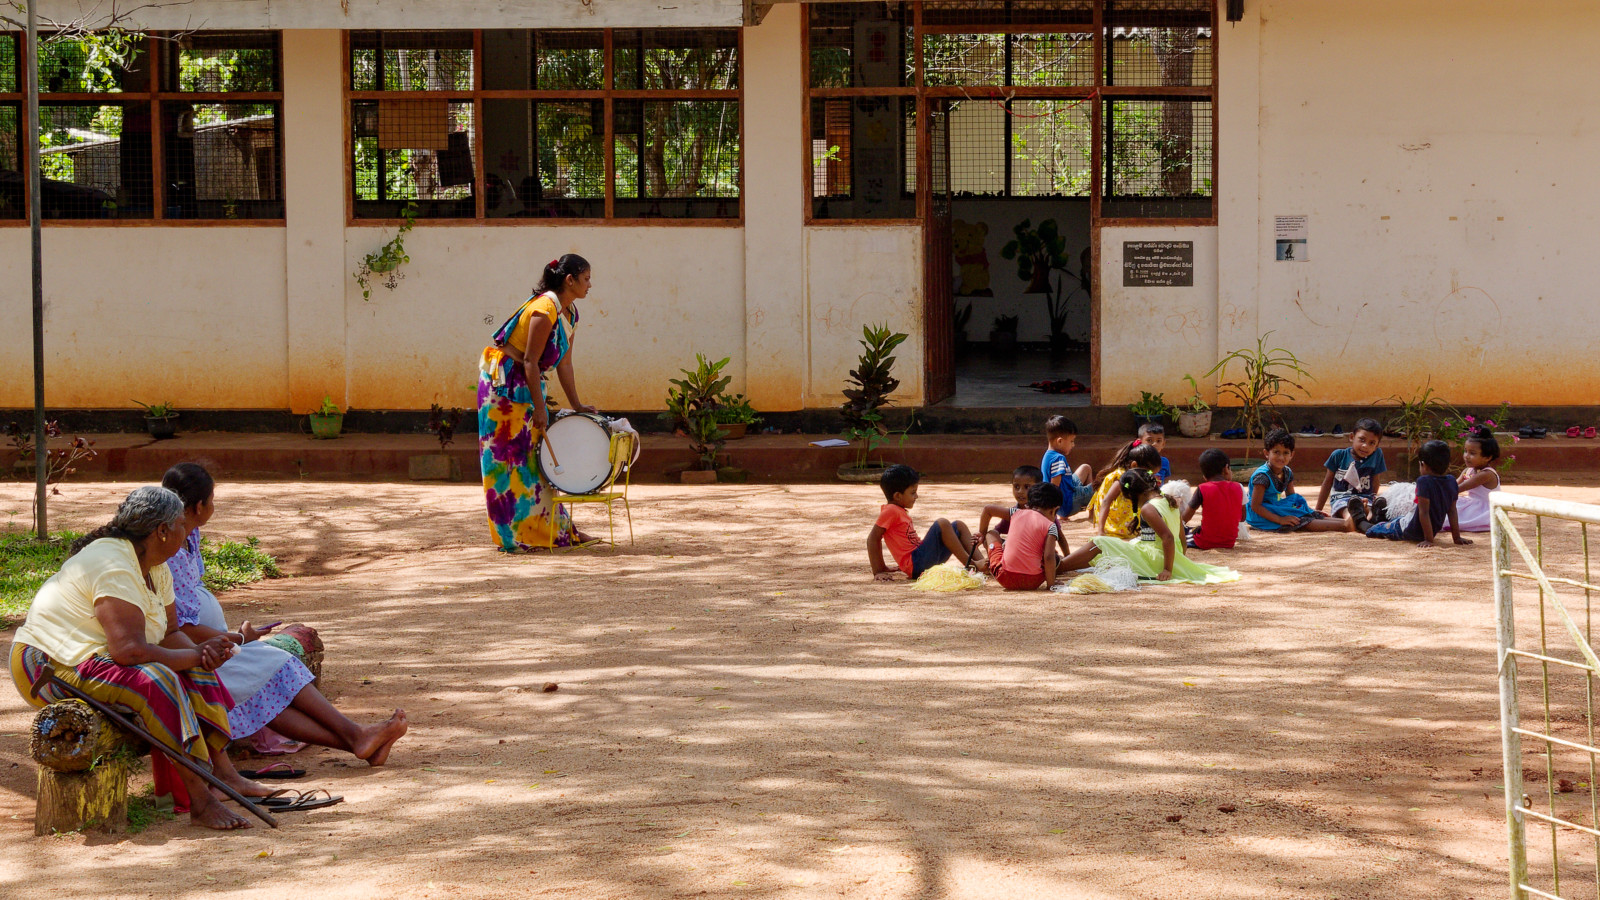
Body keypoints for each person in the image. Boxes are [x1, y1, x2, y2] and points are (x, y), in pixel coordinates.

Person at [8, 486, 271, 830]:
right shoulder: (112, 562)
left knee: (196, 671)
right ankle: (201, 802)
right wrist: (192, 655)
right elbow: (128, 651)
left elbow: (170, 634)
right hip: (49, 666)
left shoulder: (155, 565)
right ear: (161, 531)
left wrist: (201, 654)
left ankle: (225, 776)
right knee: (158, 679)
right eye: (181, 524)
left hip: (97, 658)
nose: (187, 530)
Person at [163, 464, 408, 766]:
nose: (214, 507)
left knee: (270, 685)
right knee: (277, 667)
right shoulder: (167, 550)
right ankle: (357, 737)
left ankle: (359, 740)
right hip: (199, 653)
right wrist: (239, 638)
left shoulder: (190, 534)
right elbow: (180, 628)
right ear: (199, 506)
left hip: (215, 645)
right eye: (212, 501)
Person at [478, 254, 598, 551]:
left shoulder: (570, 314)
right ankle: (516, 536)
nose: (590, 285)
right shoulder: (545, 310)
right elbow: (530, 362)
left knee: (534, 459)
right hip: (503, 387)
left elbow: (565, 363)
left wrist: (578, 405)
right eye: (586, 279)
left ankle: (553, 530)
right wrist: (541, 408)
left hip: (526, 385)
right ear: (569, 280)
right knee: (509, 462)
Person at [1058, 469, 1240, 585]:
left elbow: (1168, 537)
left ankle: (1059, 567)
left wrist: (1168, 569)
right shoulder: (1169, 502)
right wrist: (1179, 561)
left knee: (1100, 542)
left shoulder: (1148, 508)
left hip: (1156, 559)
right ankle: (1062, 565)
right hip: (1163, 556)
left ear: (1131, 494)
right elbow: (1181, 539)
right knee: (1111, 548)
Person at [868, 465, 987, 581]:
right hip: (916, 564)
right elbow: (873, 538)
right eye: (913, 492)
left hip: (922, 559)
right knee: (942, 523)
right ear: (898, 496)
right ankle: (972, 564)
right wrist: (879, 570)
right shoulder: (890, 510)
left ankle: (986, 565)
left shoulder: (898, 510)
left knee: (958, 525)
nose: (916, 496)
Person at [1351, 440, 1471, 547]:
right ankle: (1379, 515)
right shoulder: (1451, 481)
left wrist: (1428, 540)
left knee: (1375, 530)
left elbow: (1424, 512)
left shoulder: (1423, 481)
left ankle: (1360, 521)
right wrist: (1457, 537)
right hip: (1412, 523)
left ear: (1422, 464)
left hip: (1409, 529)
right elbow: (1452, 511)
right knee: (1395, 520)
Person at [1247, 430, 1353, 532]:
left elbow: (1292, 499)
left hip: (1276, 507)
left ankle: (1348, 521)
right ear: (1266, 453)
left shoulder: (1287, 472)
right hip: (1260, 515)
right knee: (1300, 521)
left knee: (1308, 514)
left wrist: (1308, 510)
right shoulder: (1262, 477)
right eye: (1276, 452)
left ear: (1291, 455)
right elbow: (1256, 506)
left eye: (1285, 453)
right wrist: (1280, 520)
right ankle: (1345, 525)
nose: (1281, 457)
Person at [982, 482, 1063, 591]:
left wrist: (981, 534)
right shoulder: (1051, 526)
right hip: (1033, 581)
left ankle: (991, 562)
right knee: (1055, 556)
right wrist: (1051, 585)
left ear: (1028, 504)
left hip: (1005, 577)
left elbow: (988, 509)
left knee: (991, 534)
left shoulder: (1016, 512)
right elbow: (1049, 557)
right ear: (1054, 510)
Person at [1316, 417, 1387, 522]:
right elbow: (1327, 483)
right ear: (1352, 437)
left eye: (1371, 443)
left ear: (1376, 446)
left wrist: (1372, 497)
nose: (1365, 446)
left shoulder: (1377, 455)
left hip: (1365, 497)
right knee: (1346, 510)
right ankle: (1356, 519)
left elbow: (1376, 480)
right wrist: (1318, 510)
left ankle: (1371, 516)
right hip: (1341, 499)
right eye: (1362, 440)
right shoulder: (1338, 455)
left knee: (1370, 506)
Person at [1089, 441, 1163, 538]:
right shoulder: (1122, 479)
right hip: (1115, 520)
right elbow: (1106, 501)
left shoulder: (1139, 476)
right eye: (1149, 473)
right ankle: (1143, 535)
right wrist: (1100, 531)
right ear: (1134, 466)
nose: (1151, 476)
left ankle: (1148, 537)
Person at [1183, 449, 1245, 550]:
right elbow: (1242, 517)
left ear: (1204, 476)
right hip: (1229, 542)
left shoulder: (1202, 488)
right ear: (1226, 469)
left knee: (1186, 531)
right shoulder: (1239, 487)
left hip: (1205, 542)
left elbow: (1185, 518)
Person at [1041, 416, 1095, 521]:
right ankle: (1092, 514)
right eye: (1071, 441)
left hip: (1065, 495)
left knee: (1086, 468)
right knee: (1098, 486)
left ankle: (1089, 509)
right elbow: (1054, 488)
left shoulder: (1048, 455)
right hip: (1068, 503)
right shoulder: (1058, 459)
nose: (1073, 445)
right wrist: (1052, 514)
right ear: (1060, 441)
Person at [1453, 427, 1503, 532]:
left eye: (1472, 453)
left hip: (1484, 511)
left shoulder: (1486, 474)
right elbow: (1454, 484)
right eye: (1465, 451)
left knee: (1446, 515)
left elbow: (1456, 489)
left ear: (1488, 457)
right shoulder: (1468, 470)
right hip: (1472, 505)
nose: (1466, 456)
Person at [977, 465, 1046, 541]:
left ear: (1038, 487)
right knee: (991, 534)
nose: (1020, 492)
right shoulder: (1012, 513)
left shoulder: (1045, 512)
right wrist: (982, 536)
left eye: (1027, 487)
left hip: (1038, 551)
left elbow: (1059, 536)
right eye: (1016, 487)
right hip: (1016, 551)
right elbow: (997, 530)